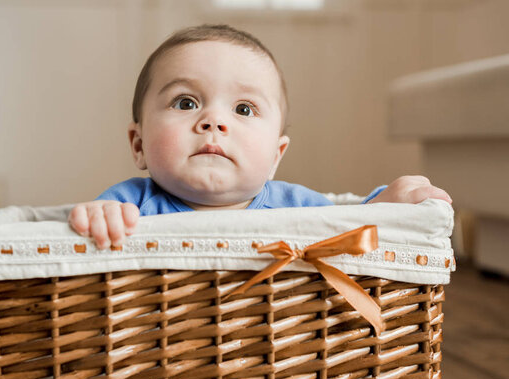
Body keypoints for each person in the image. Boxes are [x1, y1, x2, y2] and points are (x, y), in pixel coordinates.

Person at [69, 24, 451, 250]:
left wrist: (389, 202)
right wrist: (98, 217)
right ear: (139, 145)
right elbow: (93, 233)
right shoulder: (131, 205)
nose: (213, 121)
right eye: (185, 102)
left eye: (244, 109)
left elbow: (353, 227)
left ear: (275, 156)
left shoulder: (294, 207)